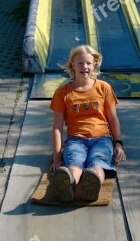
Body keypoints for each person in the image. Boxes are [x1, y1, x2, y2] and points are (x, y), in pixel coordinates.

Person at [49, 45, 126, 203]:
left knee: (98, 161)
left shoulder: (104, 88)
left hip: (102, 139)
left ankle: (93, 183)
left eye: (88, 63)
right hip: (75, 139)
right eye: (80, 63)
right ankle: (68, 185)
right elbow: (57, 128)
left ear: (95, 64)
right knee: (75, 160)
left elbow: (113, 119)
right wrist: (57, 159)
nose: (85, 67)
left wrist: (118, 144)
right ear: (73, 65)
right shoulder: (62, 93)